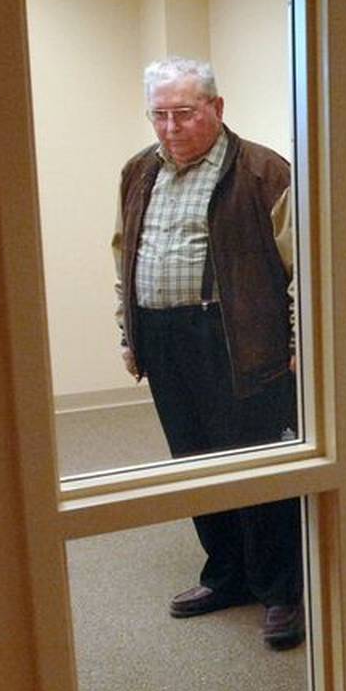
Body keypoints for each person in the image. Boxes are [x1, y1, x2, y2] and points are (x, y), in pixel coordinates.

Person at [112, 57, 303, 651]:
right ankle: (225, 575)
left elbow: (303, 270)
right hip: (165, 340)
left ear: (217, 109)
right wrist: (129, 331)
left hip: (239, 342)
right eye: (159, 115)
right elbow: (124, 254)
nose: (170, 128)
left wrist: (299, 347)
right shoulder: (139, 171)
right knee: (193, 463)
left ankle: (280, 591)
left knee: (255, 468)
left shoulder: (264, 171)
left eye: (184, 114)